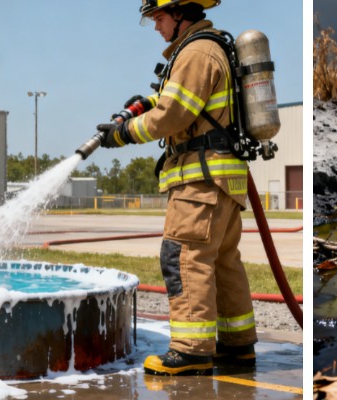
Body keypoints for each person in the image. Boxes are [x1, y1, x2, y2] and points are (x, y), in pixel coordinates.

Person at [95, 0, 256, 375]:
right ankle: (238, 346)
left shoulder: (196, 52)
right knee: (223, 263)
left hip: (199, 180)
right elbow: (179, 100)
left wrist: (124, 133)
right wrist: (145, 102)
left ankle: (191, 351)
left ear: (180, 13)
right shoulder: (208, 48)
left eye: (159, 17)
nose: (156, 26)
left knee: (183, 257)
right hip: (222, 180)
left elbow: (173, 115)